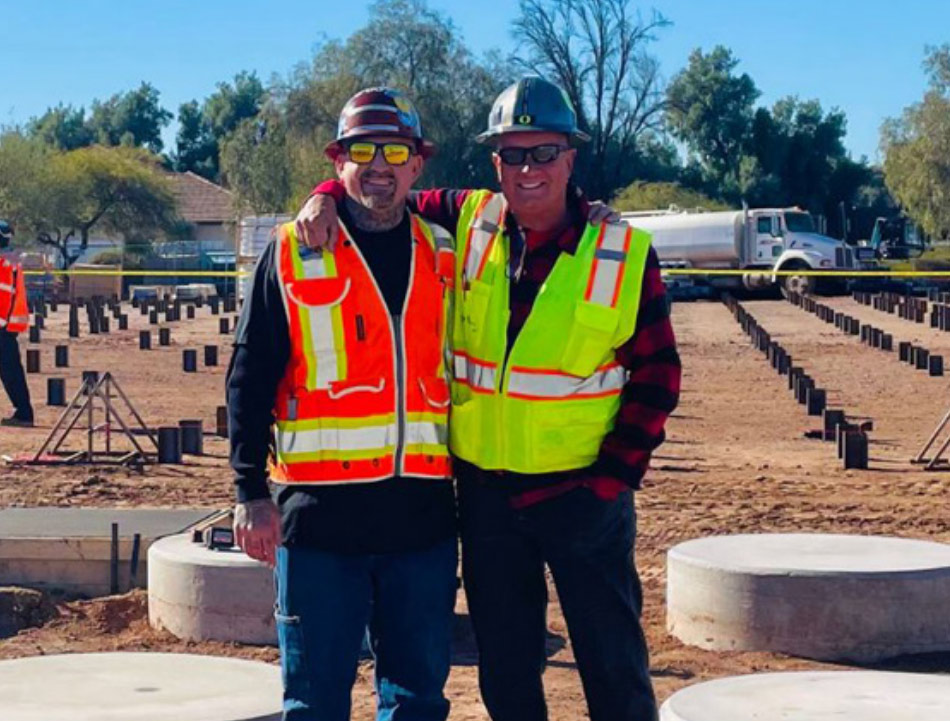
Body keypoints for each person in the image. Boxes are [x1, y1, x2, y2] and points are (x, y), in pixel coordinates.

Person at [296, 76, 681, 721]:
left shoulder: (620, 252)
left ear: (571, 158)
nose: (528, 170)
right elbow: (383, 185)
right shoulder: (470, 219)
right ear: (494, 163)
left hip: (584, 496)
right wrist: (325, 192)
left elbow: (658, 376)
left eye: (544, 153)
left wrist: (611, 483)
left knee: (612, 666)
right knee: (507, 671)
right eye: (512, 155)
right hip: (487, 499)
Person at [227, 87, 459, 721]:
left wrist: (586, 208)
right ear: (338, 162)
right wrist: (249, 492)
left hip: (423, 522)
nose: (378, 165)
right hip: (320, 524)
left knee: (417, 701)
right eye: (362, 150)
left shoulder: (446, 253)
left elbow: (527, 208)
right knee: (313, 704)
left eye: (394, 150)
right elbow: (249, 376)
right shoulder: (293, 253)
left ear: (418, 164)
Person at [0, 221, 34, 427]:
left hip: (3, 327)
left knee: (10, 371)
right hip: (6, 326)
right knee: (10, 370)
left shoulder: (4, 263)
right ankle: (23, 412)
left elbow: (4, 296)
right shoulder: (8, 260)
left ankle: (24, 413)